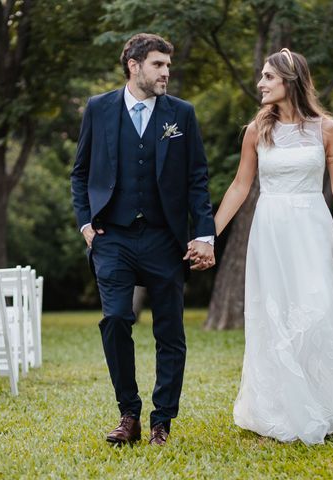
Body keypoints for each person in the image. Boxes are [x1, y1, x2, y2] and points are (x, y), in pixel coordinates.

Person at [189, 48, 333, 444]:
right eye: (261, 77)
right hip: (272, 231)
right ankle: (278, 411)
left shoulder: (325, 128)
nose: (260, 84)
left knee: (317, 310)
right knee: (275, 315)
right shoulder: (255, 131)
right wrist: (208, 233)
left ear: (289, 80)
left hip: (313, 228)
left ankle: (324, 404)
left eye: (267, 77)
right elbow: (241, 186)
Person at [71, 33, 216, 446]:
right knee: (116, 319)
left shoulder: (181, 115)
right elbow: (80, 173)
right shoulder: (99, 109)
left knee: (170, 332)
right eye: (158, 65)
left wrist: (203, 234)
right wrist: (86, 225)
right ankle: (128, 413)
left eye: (168, 65)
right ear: (134, 66)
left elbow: (196, 179)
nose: (166, 72)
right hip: (111, 236)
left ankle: (162, 421)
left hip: (164, 238)